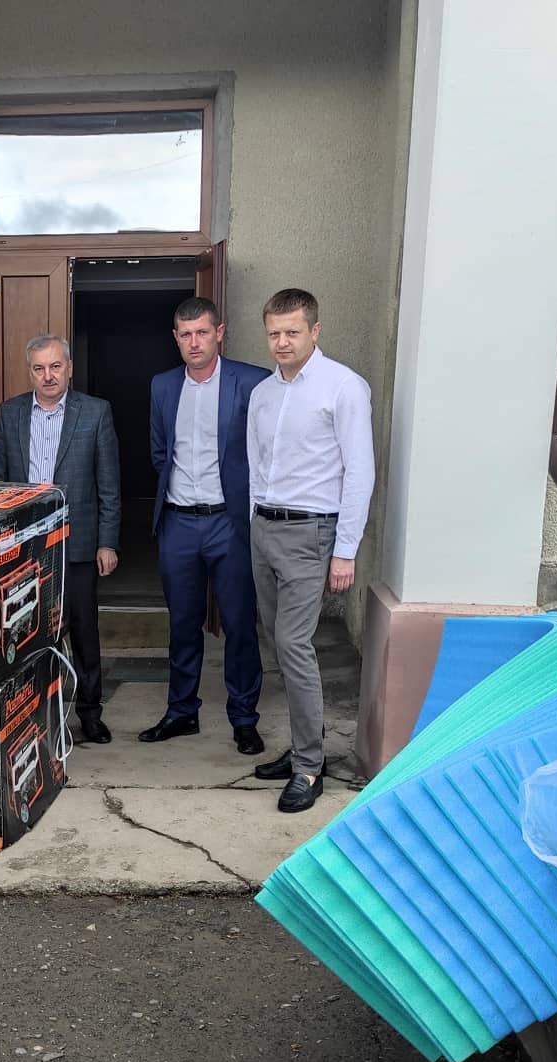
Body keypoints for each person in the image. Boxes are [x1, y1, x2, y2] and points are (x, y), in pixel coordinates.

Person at [246, 288, 375, 813]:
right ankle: (305, 741)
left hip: (310, 533)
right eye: (274, 333)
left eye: (292, 332)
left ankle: (308, 766)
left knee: (294, 643)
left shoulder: (343, 387)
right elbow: (257, 464)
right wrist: (252, 523)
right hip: (264, 529)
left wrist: (345, 550)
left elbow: (360, 471)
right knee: (276, 642)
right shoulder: (262, 393)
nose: (282, 342)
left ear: (315, 331)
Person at [140, 296, 270, 756]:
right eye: (185, 335)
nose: (194, 342)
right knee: (182, 623)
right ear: (175, 339)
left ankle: (244, 718)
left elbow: (265, 451)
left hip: (229, 523)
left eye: (202, 332)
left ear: (220, 333)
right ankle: (182, 711)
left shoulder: (252, 381)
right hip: (178, 522)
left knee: (239, 624)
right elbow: (160, 452)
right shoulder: (162, 385)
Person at [0, 334, 120, 744]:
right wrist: (0, 541)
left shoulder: (95, 412)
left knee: (83, 632)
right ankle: (32, 713)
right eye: (39, 368)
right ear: (29, 371)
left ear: (69, 368)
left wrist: (107, 542)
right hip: (24, 546)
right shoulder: (10, 413)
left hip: (78, 544)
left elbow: (109, 485)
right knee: (26, 629)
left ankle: (90, 713)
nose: (48, 376)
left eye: (55, 367)